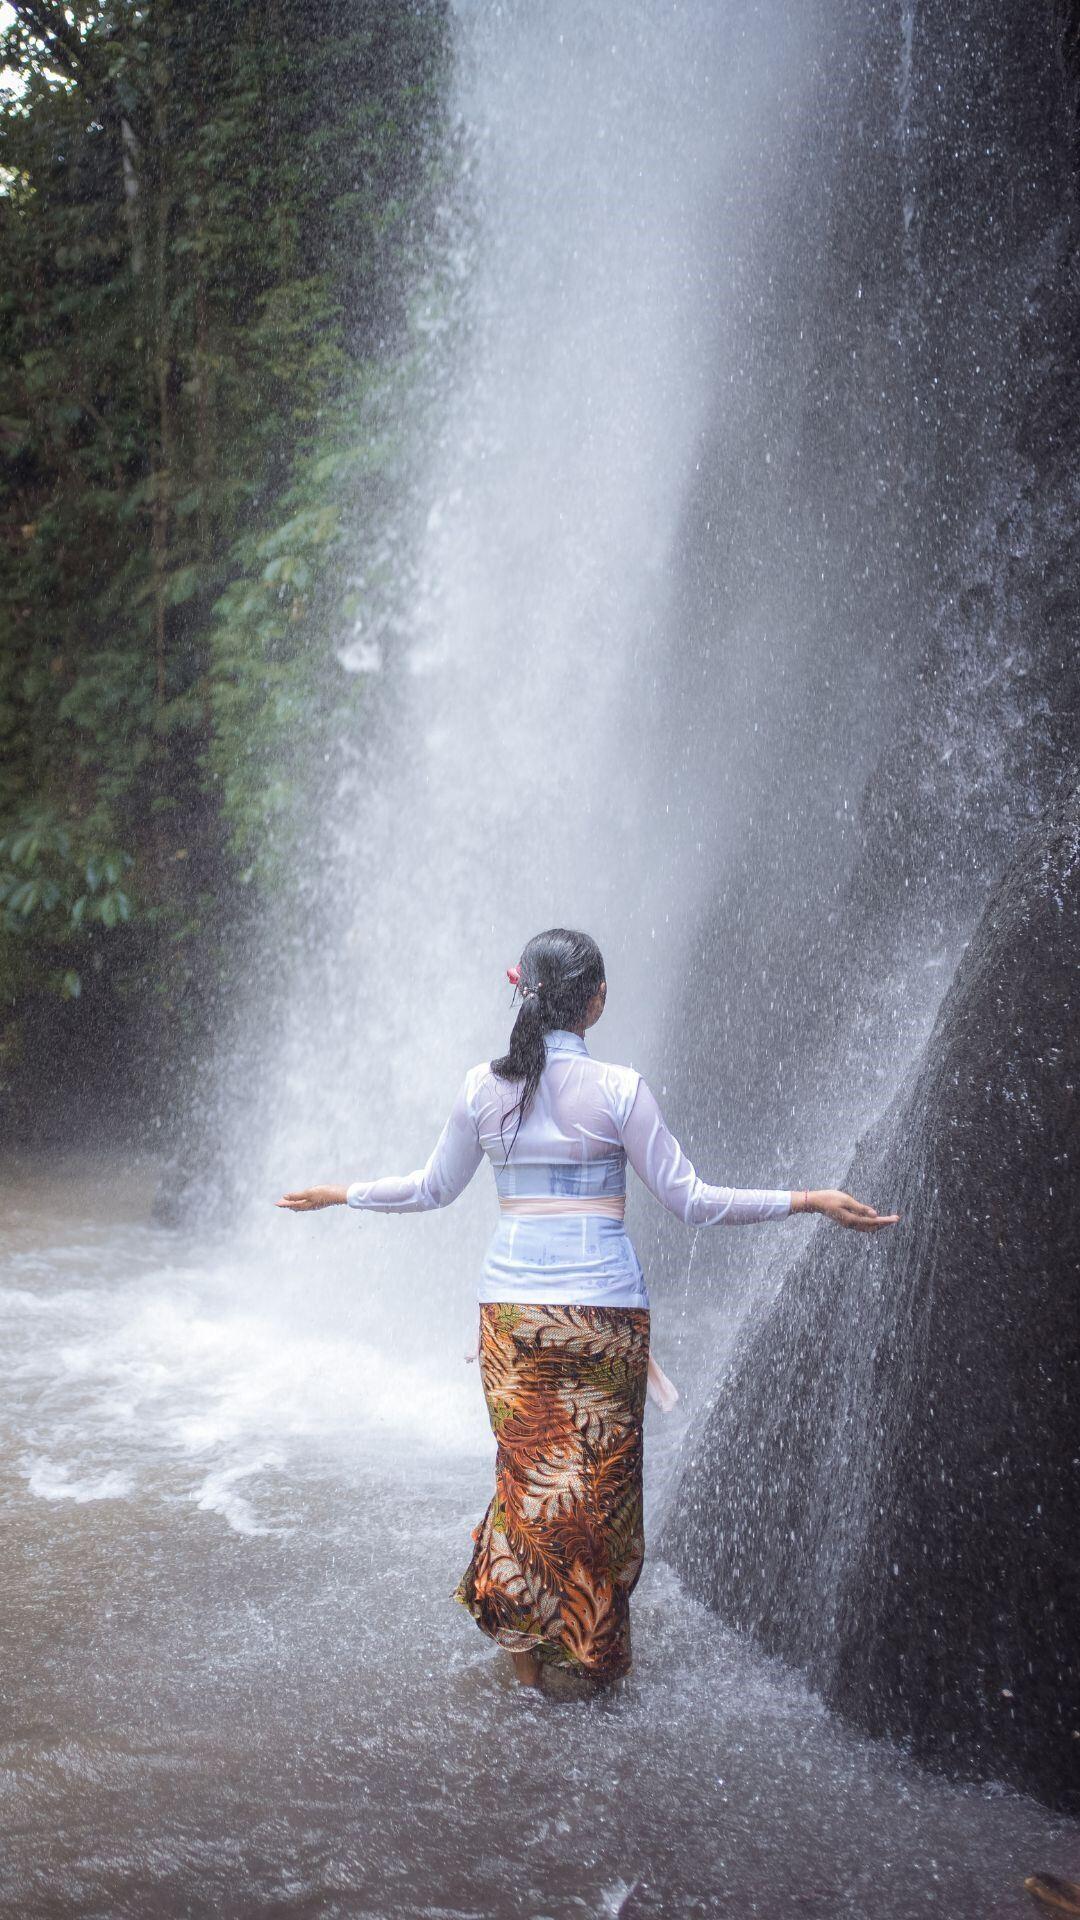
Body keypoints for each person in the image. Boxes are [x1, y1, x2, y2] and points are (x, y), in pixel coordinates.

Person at [277, 927, 899, 1694]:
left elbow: (430, 1189)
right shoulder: (620, 1090)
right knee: (598, 1503)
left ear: (525, 993)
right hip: (604, 1321)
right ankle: (591, 1666)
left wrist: (339, 1193)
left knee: (525, 1487)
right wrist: (809, 1200)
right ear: (595, 1002)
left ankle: (525, 1672)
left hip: (514, 1322)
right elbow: (692, 1203)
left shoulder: (483, 1087)